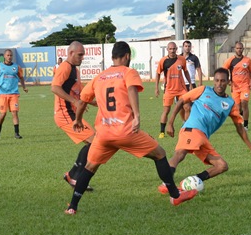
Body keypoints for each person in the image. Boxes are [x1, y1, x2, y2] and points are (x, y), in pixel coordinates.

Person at [66, 41, 197, 214]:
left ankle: (72, 207)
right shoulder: (128, 72)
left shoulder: (99, 77)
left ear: (113, 56)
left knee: (89, 167)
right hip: (125, 131)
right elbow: (131, 90)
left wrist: (78, 120)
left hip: (104, 134)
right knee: (160, 154)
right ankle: (175, 195)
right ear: (127, 56)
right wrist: (137, 116)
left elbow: (82, 101)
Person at [158, 67, 251, 193]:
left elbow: (239, 128)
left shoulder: (230, 103)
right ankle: (166, 183)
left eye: (222, 81)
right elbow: (182, 100)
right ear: (213, 80)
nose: (219, 84)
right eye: (216, 81)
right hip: (191, 129)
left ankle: (193, 180)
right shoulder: (204, 90)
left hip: (203, 137)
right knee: (180, 154)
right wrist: (170, 122)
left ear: (228, 82)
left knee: (222, 166)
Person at [51, 41, 95, 191]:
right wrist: (74, 102)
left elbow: (82, 94)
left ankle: (73, 176)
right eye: (80, 55)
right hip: (65, 114)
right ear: (70, 53)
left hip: (71, 113)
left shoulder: (74, 70)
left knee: (94, 142)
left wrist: (99, 103)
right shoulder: (65, 67)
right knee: (95, 141)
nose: (82, 58)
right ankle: (74, 176)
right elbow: (54, 87)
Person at [0, 49, 27, 139]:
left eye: (11, 55)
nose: (9, 57)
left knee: (14, 113)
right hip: (1, 93)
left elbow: (21, 77)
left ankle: (17, 133)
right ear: (4, 56)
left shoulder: (16, 67)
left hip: (13, 93)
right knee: (3, 113)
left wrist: (24, 87)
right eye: (8, 55)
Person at [155, 41, 189, 137]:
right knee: (166, 110)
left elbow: (185, 71)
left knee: (187, 107)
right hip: (169, 90)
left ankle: (186, 128)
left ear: (176, 49)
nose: (172, 50)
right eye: (170, 49)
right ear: (167, 49)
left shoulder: (181, 59)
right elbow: (157, 74)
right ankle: (162, 132)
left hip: (181, 89)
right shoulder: (163, 61)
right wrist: (156, 88)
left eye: (174, 49)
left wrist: (190, 83)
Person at [222, 41, 251, 130]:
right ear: (234, 49)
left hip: (245, 86)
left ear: (243, 49)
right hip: (235, 87)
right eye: (237, 48)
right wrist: (227, 80)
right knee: (238, 108)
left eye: (240, 48)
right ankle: (243, 114)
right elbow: (223, 70)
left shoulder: (248, 60)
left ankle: (246, 125)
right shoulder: (230, 60)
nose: (239, 50)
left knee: (244, 103)